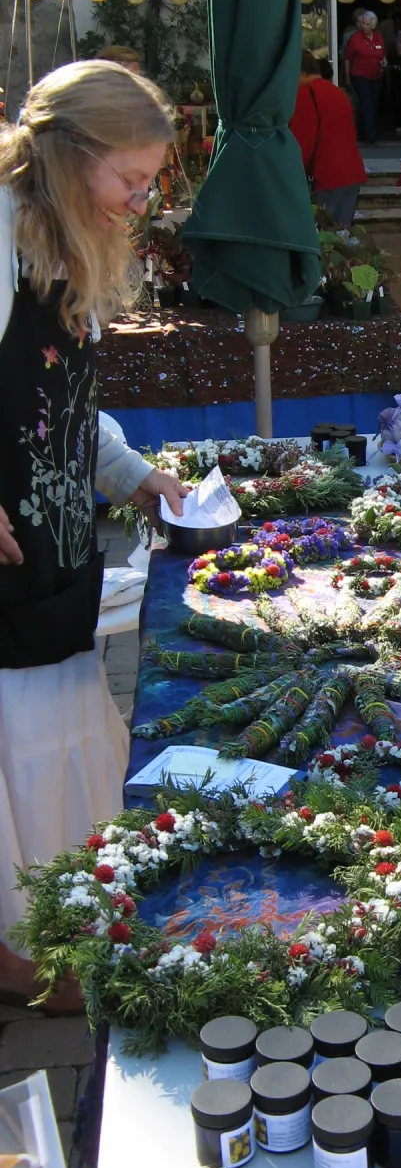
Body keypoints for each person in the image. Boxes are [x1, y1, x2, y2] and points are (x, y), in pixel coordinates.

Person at [0, 60, 189, 1004]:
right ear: (72, 158)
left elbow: (69, 409)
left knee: (63, 750)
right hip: (6, 579)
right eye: (131, 178)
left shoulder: (61, 244)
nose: (141, 198)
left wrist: (135, 476)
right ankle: (28, 961)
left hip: (54, 558)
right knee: (18, 765)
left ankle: (69, 933)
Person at [290, 49, 366, 229]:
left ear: (300, 72)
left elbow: (302, 143)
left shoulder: (305, 94)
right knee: (341, 238)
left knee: (325, 240)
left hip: (327, 177)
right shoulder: (337, 92)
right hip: (351, 174)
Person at [344, 11, 386, 144]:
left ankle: (362, 131)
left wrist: (384, 61)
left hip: (376, 75)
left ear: (373, 25)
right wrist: (347, 76)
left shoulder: (378, 37)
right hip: (359, 75)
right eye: (362, 23)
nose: (364, 26)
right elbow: (347, 58)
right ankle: (370, 135)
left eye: (367, 24)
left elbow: (382, 54)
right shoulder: (355, 38)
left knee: (371, 104)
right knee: (366, 102)